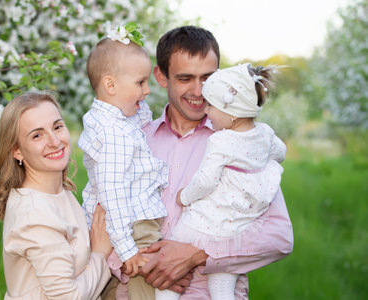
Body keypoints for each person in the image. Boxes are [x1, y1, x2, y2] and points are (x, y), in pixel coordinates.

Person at [105, 26, 294, 299]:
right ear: (161, 76)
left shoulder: (243, 142)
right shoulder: (134, 142)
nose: (199, 90)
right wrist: (137, 263)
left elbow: (278, 237)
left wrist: (197, 255)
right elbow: (105, 215)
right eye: (185, 78)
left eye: (208, 77)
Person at [155, 63, 286, 300]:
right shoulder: (266, 133)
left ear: (232, 112)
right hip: (236, 228)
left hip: (201, 224)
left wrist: (184, 196)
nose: (206, 111)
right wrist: (256, 162)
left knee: (167, 267)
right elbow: (281, 152)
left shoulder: (220, 140)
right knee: (223, 283)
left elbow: (206, 181)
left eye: (211, 106)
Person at [0, 91, 112, 299]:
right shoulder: (35, 214)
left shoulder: (57, 192)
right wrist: (100, 255)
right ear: (16, 151)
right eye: (37, 135)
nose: (55, 141)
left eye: (57, 127)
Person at [78, 24, 168, 300]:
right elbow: (113, 192)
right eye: (140, 83)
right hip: (134, 223)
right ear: (111, 85)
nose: (148, 90)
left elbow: (138, 122)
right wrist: (127, 249)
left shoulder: (109, 118)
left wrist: (137, 103)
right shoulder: (113, 134)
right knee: (146, 283)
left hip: (125, 222)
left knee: (105, 285)